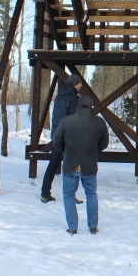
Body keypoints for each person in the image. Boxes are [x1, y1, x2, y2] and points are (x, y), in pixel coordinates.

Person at [52, 95, 109, 235]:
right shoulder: (99, 123)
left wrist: (66, 151)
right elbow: (104, 143)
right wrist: (93, 151)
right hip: (89, 164)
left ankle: (72, 227)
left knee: (68, 194)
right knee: (91, 194)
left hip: (71, 163)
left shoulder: (67, 121)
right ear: (91, 107)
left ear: (78, 106)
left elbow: (56, 141)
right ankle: (93, 226)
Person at [41, 73, 83, 203]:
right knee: (71, 166)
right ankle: (70, 195)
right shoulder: (74, 98)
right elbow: (75, 120)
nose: (81, 85)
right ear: (75, 84)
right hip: (68, 136)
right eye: (80, 83)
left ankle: (44, 193)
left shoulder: (60, 96)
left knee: (53, 164)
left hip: (57, 135)